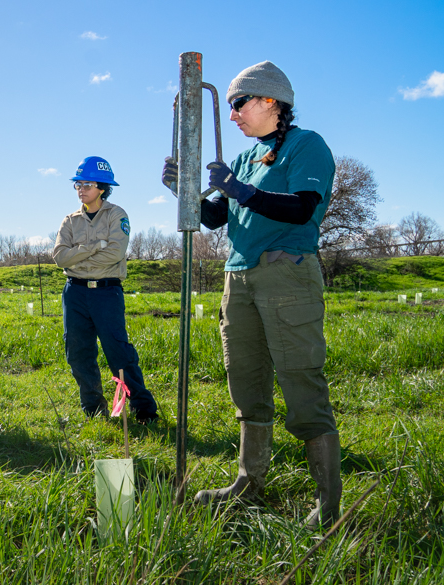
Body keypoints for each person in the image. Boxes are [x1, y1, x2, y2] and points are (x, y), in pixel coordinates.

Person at [162, 61, 340, 528]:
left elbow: (302, 209)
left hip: (287, 275)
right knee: (245, 380)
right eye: (233, 106)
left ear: (270, 102)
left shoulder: (306, 146)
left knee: (300, 379)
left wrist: (239, 190)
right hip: (237, 277)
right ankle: (249, 482)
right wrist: (185, 192)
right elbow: (216, 219)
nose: (235, 114)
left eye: (239, 104)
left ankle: (327, 501)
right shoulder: (244, 158)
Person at [53, 156, 159, 424]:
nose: (80, 189)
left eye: (86, 184)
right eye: (77, 184)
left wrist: (79, 256)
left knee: (118, 351)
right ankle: (92, 407)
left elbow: (114, 253)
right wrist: (93, 247)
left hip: (106, 292)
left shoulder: (117, 215)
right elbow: (59, 258)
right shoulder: (69, 220)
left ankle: (143, 407)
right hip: (74, 293)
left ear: (102, 187)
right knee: (77, 351)